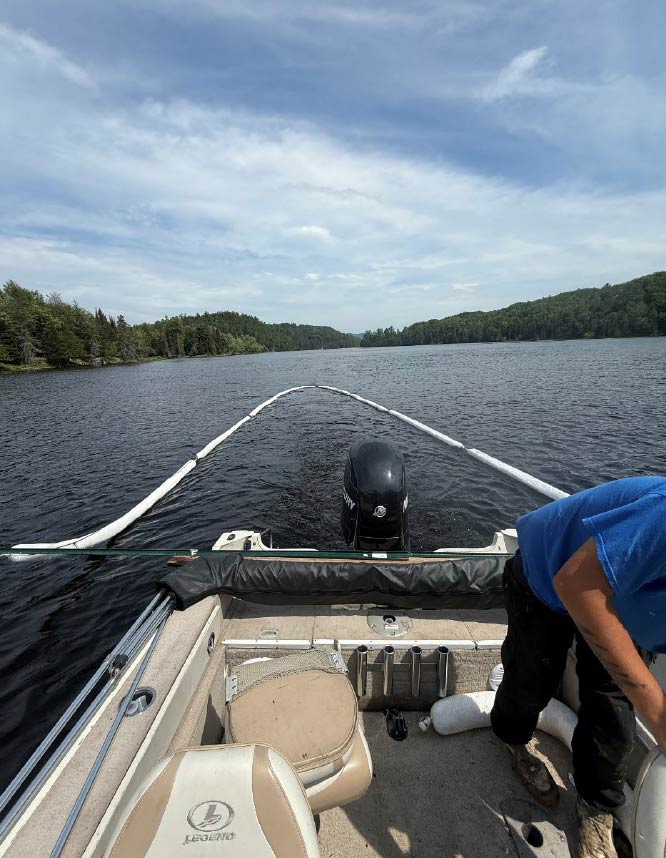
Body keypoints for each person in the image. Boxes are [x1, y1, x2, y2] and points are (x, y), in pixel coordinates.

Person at [490, 476, 666, 858]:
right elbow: (576, 584)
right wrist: (660, 715)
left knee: (614, 717)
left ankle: (596, 809)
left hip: (625, 601)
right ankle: (513, 740)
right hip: (549, 571)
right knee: (530, 678)